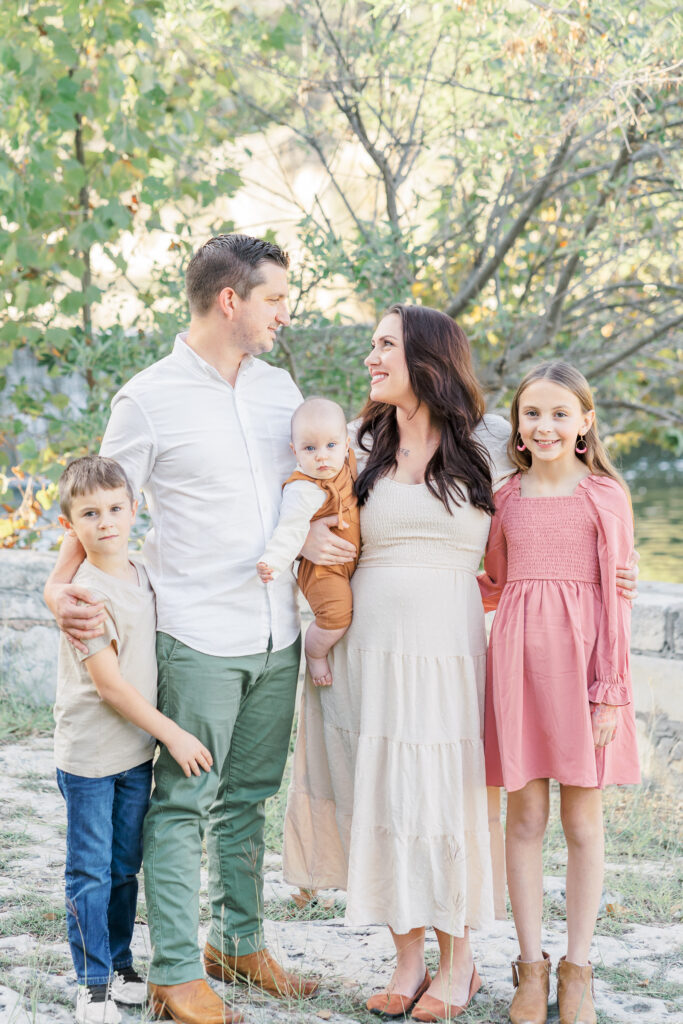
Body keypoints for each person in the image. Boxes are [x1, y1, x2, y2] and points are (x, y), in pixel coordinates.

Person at [44, 234, 322, 1024]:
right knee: (186, 802)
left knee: (250, 799)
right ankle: (171, 969)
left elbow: (302, 486)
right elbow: (98, 503)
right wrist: (58, 585)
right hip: (196, 634)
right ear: (230, 301)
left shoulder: (279, 389)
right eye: (274, 298)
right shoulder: (146, 396)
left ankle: (238, 942)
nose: (284, 312)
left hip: (277, 633)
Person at [283, 304, 513, 1023]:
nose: (370, 358)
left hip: (448, 650)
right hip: (364, 648)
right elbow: (302, 514)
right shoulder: (354, 444)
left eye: (384, 345)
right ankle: (406, 957)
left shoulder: (491, 443)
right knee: (378, 793)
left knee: (444, 795)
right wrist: (309, 540)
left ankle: (459, 962)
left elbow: (564, 490)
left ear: (427, 357)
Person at [478, 362, 640, 1024]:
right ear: (516, 424)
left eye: (558, 414)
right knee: (522, 820)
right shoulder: (504, 498)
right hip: (516, 668)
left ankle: (576, 968)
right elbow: (490, 582)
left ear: (584, 422)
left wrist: (609, 691)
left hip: (585, 675)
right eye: (532, 414)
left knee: (580, 821)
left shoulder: (604, 496)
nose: (544, 425)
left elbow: (616, 602)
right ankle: (529, 965)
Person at [54, 456, 212, 1024]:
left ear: (135, 509)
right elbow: (112, 687)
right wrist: (174, 735)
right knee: (90, 868)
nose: (106, 522)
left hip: (132, 755)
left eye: (116, 508)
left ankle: (119, 965)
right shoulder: (85, 597)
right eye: (90, 514)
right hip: (91, 755)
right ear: (70, 527)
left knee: (123, 865)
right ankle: (91, 982)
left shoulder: (141, 573)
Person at [257, 396, 361, 687]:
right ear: (295, 451)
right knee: (336, 617)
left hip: (348, 562)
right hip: (321, 569)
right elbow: (289, 530)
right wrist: (273, 563)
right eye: (309, 448)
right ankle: (315, 654)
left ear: (346, 443)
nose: (322, 457)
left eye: (331, 445)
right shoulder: (303, 488)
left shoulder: (348, 464)